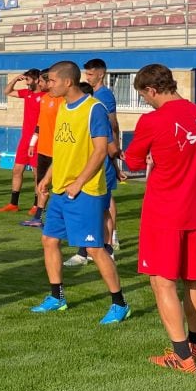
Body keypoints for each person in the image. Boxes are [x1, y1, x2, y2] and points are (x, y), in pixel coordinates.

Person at [123, 64, 196, 373]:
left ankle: (181, 356)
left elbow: (133, 161)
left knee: (162, 282)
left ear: (151, 90)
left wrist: (148, 157)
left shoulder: (152, 120)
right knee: (195, 281)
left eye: (143, 95)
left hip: (165, 211)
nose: (145, 101)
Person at [32, 61, 130, 325]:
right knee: (49, 241)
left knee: (94, 248)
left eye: (51, 80)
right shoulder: (63, 107)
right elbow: (62, 150)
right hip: (61, 190)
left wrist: (79, 182)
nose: (47, 85)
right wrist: (47, 178)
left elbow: (100, 150)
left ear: (67, 82)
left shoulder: (94, 109)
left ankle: (120, 303)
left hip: (85, 191)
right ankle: (57, 297)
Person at [65, 58, 123, 265]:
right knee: (92, 206)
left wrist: (114, 155)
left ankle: (106, 246)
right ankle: (86, 249)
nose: (87, 77)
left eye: (90, 74)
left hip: (102, 160)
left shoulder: (102, 97)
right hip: (95, 159)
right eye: (86, 73)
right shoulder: (88, 99)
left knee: (103, 205)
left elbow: (112, 126)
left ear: (101, 74)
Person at [0, 69, 42, 213]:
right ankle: (13, 204)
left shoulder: (46, 96)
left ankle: (36, 205)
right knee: (17, 170)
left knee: (37, 174)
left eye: (28, 80)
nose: (26, 82)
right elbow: (7, 91)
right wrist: (16, 79)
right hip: (25, 140)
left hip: (39, 140)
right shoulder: (27, 93)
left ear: (36, 80)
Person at [21, 71, 62, 227]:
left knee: (58, 187)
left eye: (43, 81)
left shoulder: (61, 101)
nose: (40, 84)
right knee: (41, 185)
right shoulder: (44, 99)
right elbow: (39, 124)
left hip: (56, 151)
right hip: (42, 150)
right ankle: (38, 218)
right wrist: (33, 143)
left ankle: (58, 219)